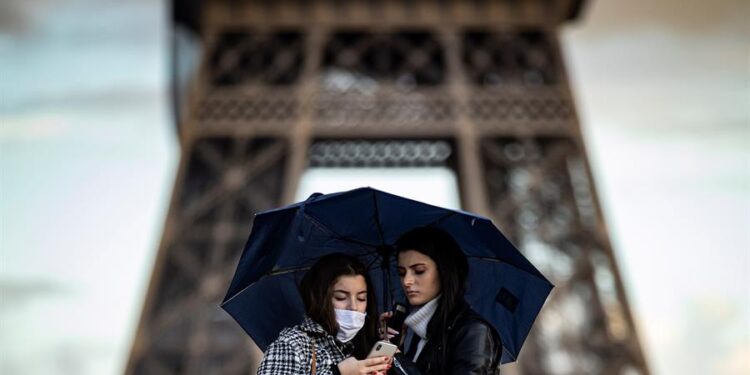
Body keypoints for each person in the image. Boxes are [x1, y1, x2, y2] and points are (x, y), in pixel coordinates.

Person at [383, 227, 502, 375]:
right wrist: (383, 345)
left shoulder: (473, 332)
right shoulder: (413, 331)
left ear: (444, 270)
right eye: (401, 273)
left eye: (419, 270)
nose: (407, 281)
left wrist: (397, 359)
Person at [257, 254, 392, 375]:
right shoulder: (293, 345)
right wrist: (338, 372)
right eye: (340, 297)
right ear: (319, 298)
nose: (354, 307)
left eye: (361, 298)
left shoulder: (359, 346)